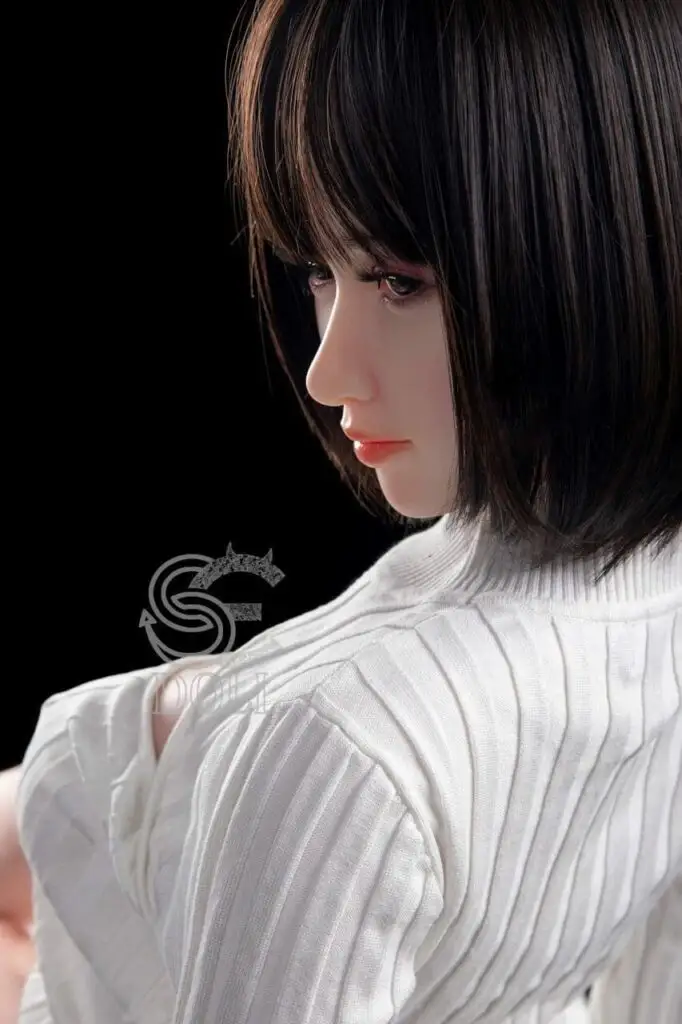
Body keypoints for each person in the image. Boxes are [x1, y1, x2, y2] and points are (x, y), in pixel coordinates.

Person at [2, 0, 681, 1020]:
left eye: (399, 281)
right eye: (320, 271)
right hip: (135, 794)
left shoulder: (340, 749)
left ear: (602, 249)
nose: (326, 372)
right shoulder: (639, 592)